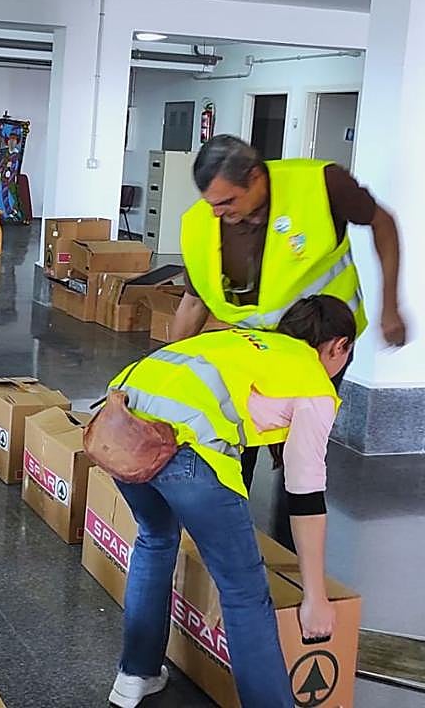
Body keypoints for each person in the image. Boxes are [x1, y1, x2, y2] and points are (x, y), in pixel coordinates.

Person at [105, 296, 354, 708]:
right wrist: (314, 597)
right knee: (243, 592)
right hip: (183, 450)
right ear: (338, 346)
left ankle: (135, 674)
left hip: (119, 426)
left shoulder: (248, 340)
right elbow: (306, 497)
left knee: (155, 539)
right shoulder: (310, 377)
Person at [171, 134, 404, 487]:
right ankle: (235, 521)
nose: (219, 213)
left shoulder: (321, 184)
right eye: (212, 204)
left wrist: (391, 305)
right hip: (252, 349)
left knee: (301, 451)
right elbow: (193, 300)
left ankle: (296, 529)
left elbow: (382, 223)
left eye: (228, 201)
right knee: (236, 441)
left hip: (319, 345)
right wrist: (170, 368)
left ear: (255, 177)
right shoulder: (200, 222)